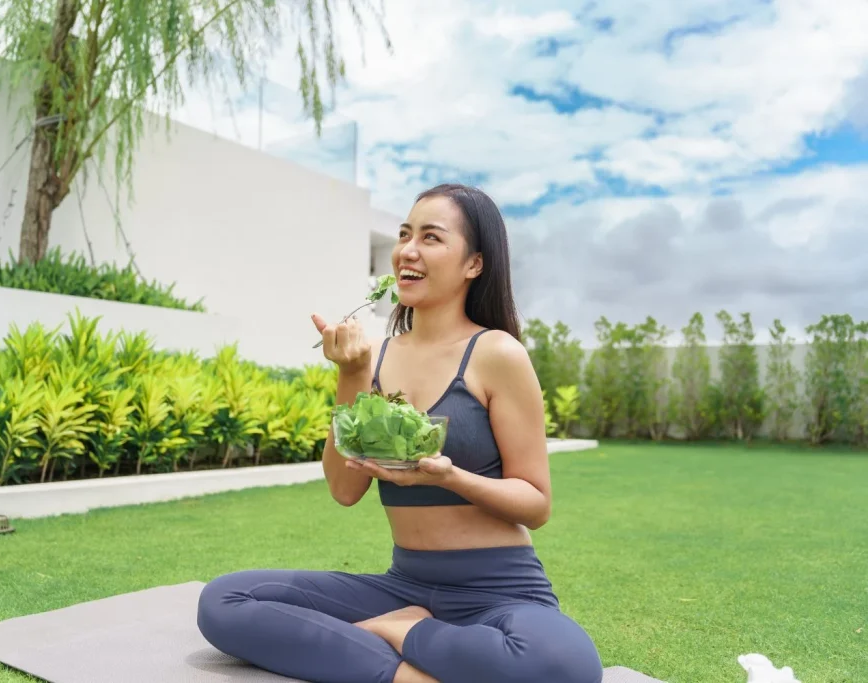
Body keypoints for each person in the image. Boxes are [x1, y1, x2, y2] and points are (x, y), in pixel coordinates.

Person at [197, 183, 603, 683]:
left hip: (499, 593)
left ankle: (404, 635)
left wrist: (449, 478)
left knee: (567, 665)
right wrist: (351, 373)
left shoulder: (497, 353)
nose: (408, 251)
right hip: (403, 584)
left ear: (474, 263)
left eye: (431, 238)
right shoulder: (377, 358)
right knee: (225, 601)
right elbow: (345, 490)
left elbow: (535, 503)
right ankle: (407, 668)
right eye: (404, 234)